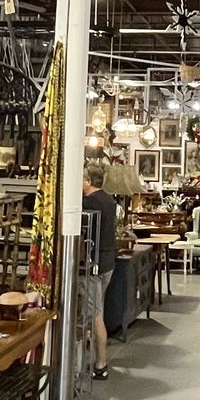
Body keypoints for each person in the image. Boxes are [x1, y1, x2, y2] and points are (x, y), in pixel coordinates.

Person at [81, 162, 119, 380]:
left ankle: (101, 364)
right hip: (107, 262)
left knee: (95, 315)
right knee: (96, 309)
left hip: (92, 265)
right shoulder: (109, 200)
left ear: (87, 180)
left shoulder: (88, 202)